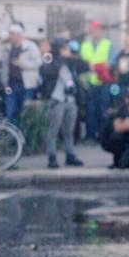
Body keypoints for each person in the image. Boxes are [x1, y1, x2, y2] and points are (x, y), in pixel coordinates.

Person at [40, 37, 85, 169]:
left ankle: (70, 155)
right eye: (65, 47)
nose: (68, 50)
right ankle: (52, 157)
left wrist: (71, 59)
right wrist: (61, 60)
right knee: (53, 130)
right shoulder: (51, 60)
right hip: (57, 99)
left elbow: (83, 67)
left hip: (70, 99)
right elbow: (46, 72)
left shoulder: (71, 62)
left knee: (69, 130)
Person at [0, 24, 41, 126]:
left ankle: (23, 134)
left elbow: (38, 63)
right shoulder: (6, 47)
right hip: (10, 85)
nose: (11, 36)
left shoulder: (30, 46)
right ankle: (12, 133)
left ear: (20, 35)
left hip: (26, 86)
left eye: (14, 34)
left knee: (25, 113)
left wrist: (23, 64)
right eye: (10, 34)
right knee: (10, 112)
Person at [79, 20, 113, 142]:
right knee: (90, 110)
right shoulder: (85, 45)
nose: (96, 32)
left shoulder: (108, 44)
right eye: (93, 29)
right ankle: (90, 136)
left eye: (98, 29)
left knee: (103, 109)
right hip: (89, 83)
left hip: (104, 81)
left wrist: (100, 66)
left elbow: (112, 62)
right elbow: (81, 63)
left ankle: (102, 136)